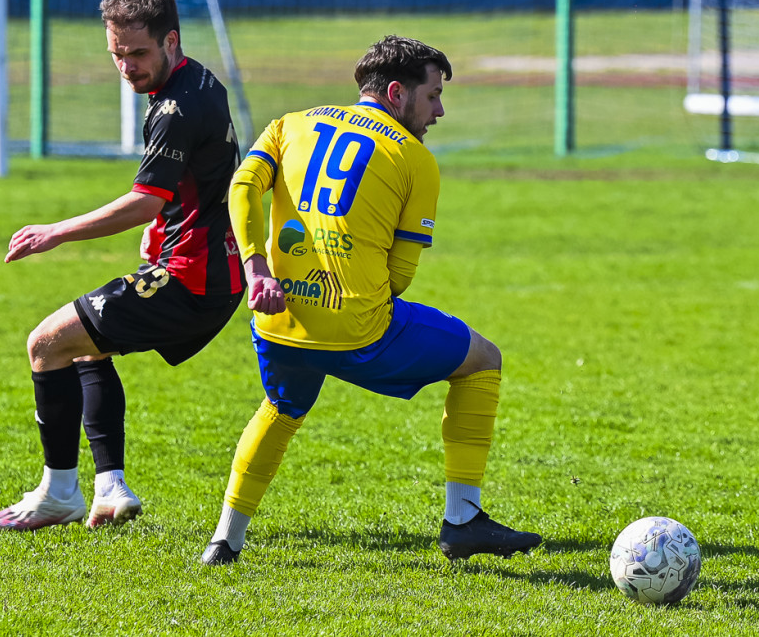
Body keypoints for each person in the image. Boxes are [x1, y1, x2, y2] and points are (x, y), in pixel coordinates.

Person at [200, 35, 541, 565]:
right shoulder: (415, 159)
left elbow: (242, 186)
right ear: (397, 93)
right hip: (359, 329)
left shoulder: (289, 123)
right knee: (483, 360)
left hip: (279, 318)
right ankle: (462, 520)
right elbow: (399, 277)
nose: (440, 111)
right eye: (433, 96)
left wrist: (257, 267)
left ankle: (225, 540)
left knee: (282, 408)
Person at [0, 0, 245, 531]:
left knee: (45, 343)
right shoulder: (201, 80)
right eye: (117, 54)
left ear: (171, 40)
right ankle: (110, 488)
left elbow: (145, 200)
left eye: (138, 53)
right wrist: (165, 230)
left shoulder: (176, 107)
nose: (127, 67)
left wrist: (56, 231)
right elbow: (194, 186)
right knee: (85, 349)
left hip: (191, 279)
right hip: (211, 273)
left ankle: (59, 494)